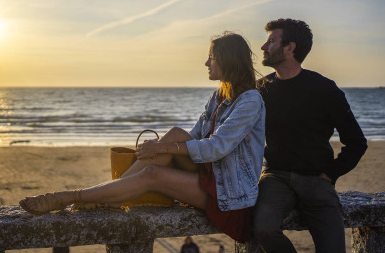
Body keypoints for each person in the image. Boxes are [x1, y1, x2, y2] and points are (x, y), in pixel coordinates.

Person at [19, 32, 265, 243]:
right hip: (211, 174)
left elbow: (216, 148)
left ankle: (71, 196)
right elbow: (192, 138)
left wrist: (164, 150)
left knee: (152, 173)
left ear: (227, 60)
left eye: (211, 57)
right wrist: (162, 147)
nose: (206, 63)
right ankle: (113, 194)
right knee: (174, 134)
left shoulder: (250, 100)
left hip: (230, 195)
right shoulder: (218, 96)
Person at [253, 18, 368, 253]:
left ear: (290, 48)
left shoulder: (324, 89)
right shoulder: (260, 89)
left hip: (317, 179)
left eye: (271, 41)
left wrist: (330, 174)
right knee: (262, 230)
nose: (264, 47)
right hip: (275, 177)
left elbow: (356, 142)